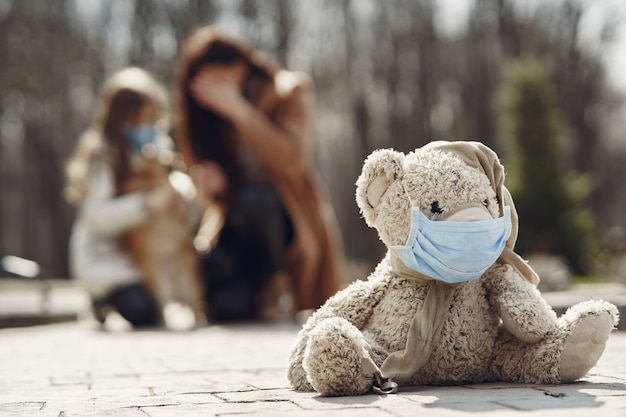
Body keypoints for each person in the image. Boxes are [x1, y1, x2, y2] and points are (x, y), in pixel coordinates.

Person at [176, 26, 344, 322]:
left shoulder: (289, 91)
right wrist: (209, 183)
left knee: (255, 199)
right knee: (227, 307)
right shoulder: (206, 115)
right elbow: (203, 192)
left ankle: (279, 288)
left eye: (219, 79)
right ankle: (250, 292)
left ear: (239, 69)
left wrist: (239, 111)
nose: (214, 91)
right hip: (234, 226)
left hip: (286, 221)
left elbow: (291, 161)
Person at [65, 67, 185, 327]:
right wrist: (146, 204)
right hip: (109, 259)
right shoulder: (101, 154)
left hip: (151, 253)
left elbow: (179, 186)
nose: (146, 125)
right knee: (142, 311)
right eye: (138, 118)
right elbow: (99, 218)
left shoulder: (159, 148)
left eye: (151, 117)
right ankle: (101, 298)